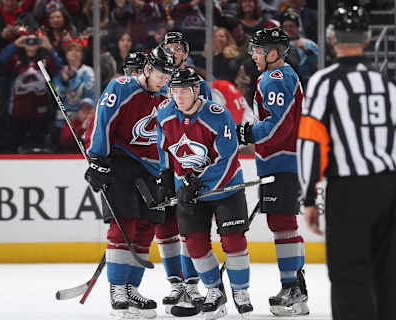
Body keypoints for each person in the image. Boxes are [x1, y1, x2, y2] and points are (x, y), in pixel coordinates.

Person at [298, 3, 396, 320]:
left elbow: (311, 142)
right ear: (367, 38)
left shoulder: (324, 83)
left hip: (349, 192)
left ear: (331, 38)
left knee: (349, 274)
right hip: (390, 188)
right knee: (388, 274)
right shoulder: (387, 85)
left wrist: (310, 196)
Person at [83, 46, 178, 319]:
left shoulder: (164, 100)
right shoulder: (121, 87)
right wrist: (98, 159)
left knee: (146, 228)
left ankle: (131, 288)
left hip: (151, 170)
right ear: (148, 69)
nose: (163, 80)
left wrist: (166, 171)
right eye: (160, 73)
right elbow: (103, 122)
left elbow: (165, 140)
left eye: (167, 75)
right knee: (123, 224)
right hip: (121, 163)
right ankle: (117, 290)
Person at [157, 67, 253, 319]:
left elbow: (227, 157)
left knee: (233, 242)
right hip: (190, 192)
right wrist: (166, 177)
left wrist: (197, 182)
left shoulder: (217, 114)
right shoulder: (165, 113)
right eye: (174, 91)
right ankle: (214, 291)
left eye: (184, 91)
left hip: (225, 188)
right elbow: (164, 149)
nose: (178, 96)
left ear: (196, 91)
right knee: (195, 245)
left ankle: (241, 291)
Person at [235, 27, 309, 316]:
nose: (252, 55)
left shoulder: (274, 78)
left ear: (273, 53)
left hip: (282, 161)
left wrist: (246, 132)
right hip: (283, 161)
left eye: (257, 50)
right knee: (284, 225)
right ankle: (297, 290)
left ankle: (291, 287)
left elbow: (279, 127)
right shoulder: (282, 75)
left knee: (282, 224)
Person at [280, 8, 318, 89]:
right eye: (285, 27)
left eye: (291, 26)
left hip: (307, 86)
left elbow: (318, 64)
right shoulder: (277, 46)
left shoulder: (309, 44)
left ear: (297, 28)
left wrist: (306, 50)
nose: (288, 29)